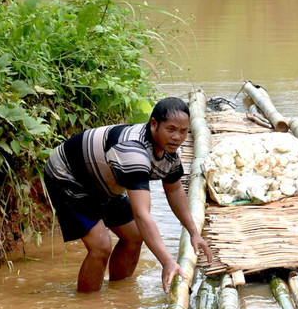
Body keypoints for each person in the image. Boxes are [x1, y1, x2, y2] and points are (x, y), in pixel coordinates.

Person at [44, 97, 213, 294]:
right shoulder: (132, 151)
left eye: (183, 131)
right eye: (171, 129)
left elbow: (174, 190)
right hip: (67, 174)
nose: (177, 137)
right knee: (101, 246)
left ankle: (119, 293)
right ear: (154, 124)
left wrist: (193, 232)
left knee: (134, 236)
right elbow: (142, 214)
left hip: (105, 180)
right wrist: (167, 262)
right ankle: (88, 308)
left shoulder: (170, 153)